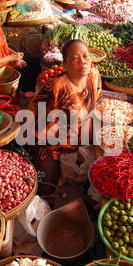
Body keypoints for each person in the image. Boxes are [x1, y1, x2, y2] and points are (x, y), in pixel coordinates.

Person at [27, 40, 102, 194]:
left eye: (86, 56)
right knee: (47, 188)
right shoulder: (55, 86)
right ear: (65, 65)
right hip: (51, 141)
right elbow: (34, 109)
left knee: (87, 178)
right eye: (75, 58)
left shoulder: (94, 75)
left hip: (80, 135)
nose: (83, 61)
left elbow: (96, 104)